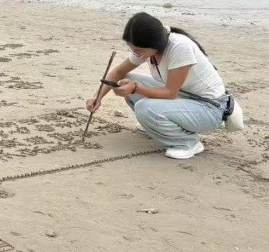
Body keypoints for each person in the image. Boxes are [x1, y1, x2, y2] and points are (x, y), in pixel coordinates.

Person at [85, 12, 237, 160]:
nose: (135, 53)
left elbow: (171, 93)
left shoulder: (180, 47)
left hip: (210, 109)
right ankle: (155, 124)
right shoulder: (148, 48)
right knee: (126, 80)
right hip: (186, 97)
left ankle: (187, 143)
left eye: (138, 50)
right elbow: (119, 72)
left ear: (154, 44)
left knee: (144, 107)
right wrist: (97, 97)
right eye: (131, 48)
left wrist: (135, 88)